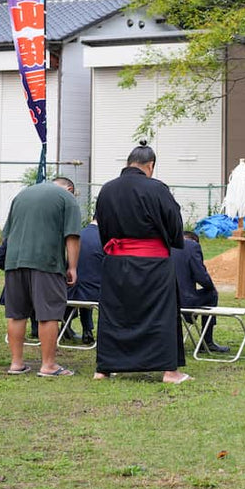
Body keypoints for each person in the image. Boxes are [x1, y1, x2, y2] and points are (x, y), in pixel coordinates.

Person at [94, 142, 189, 383]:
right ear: (151, 166)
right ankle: (170, 371)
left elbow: (103, 227)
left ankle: (104, 368)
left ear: (128, 163)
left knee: (115, 314)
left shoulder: (107, 189)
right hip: (152, 262)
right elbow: (174, 225)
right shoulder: (157, 189)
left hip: (116, 260)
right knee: (161, 314)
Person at [2, 176, 82, 377]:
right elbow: (72, 235)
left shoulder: (22, 195)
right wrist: (72, 267)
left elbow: (8, 233)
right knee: (49, 313)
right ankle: (48, 365)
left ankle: (16, 363)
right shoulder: (67, 198)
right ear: (70, 188)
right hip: (46, 262)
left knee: (17, 313)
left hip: (14, 261)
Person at [173, 230, 230, 353]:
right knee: (211, 294)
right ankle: (207, 342)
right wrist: (211, 286)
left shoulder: (166, 244)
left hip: (164, 300)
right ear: (194, 240)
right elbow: (201, 277)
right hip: (184, 301)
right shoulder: (191, 246)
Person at [66, 221, 104, 345]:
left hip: (69, 293)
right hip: (94, 294)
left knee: (82, 282)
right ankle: (87, 330)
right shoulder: (104, 238)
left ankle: (70, 327)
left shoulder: (78, 235)